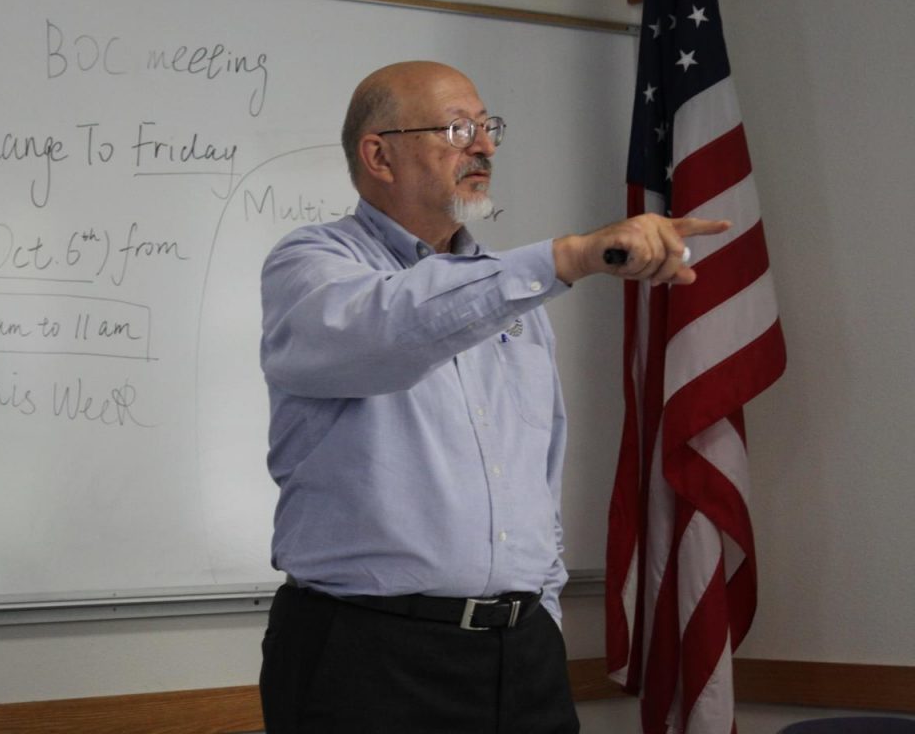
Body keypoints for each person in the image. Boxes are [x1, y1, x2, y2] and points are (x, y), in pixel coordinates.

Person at [257, 61, 729, 733]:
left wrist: (543, 614)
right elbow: (391, 327)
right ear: (379, 155)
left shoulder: (512, 291)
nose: (485, 147)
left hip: (522, 654)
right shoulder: (313, 266)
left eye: (488, 128)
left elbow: (535, 472)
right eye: (457, 128)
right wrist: (566, 258)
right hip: (369, 656)